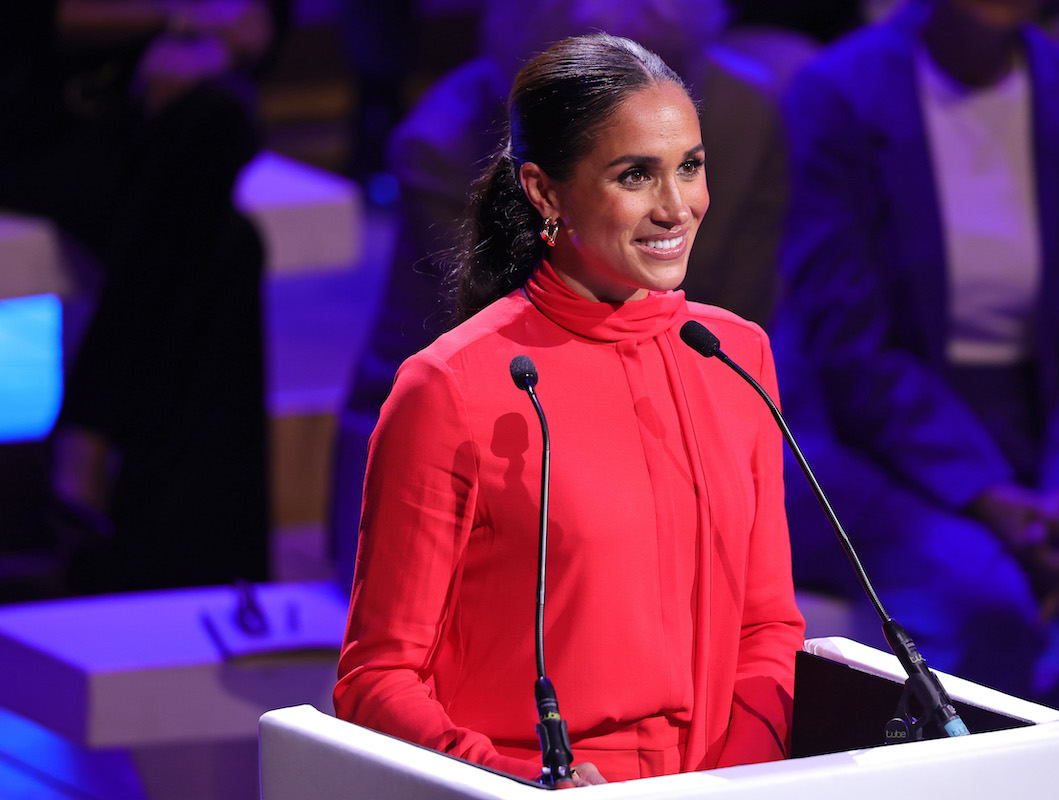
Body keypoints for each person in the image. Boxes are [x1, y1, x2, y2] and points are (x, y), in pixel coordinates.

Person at [334, 33, 807, 786]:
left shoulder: (735, 357)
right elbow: (377, 678)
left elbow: (767, 626)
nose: (676, 206)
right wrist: (513, 782)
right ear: (544, 192)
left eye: (690, 166)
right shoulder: (449, 389)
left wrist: (736, 782)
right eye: (635, 176)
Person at [771, 1, 1059, 797]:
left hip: (1052, 432)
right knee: (985, 605)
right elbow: (849, 346)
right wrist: (989, 496)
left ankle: (1058, 787)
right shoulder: (841, 91)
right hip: (876, 435)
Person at [328, 0, 820, 593]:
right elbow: (495, 370)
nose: (671, 208)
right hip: (485, 451)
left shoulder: (746, 117)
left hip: (678, 431)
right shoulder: (449, 142)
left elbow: (732, 331)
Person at [0, 1, 287, 592]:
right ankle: (205, 568)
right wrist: (180, 19)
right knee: (223, 246)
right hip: (38, 109)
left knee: (217, 163)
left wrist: (217, 47)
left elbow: (260, 19)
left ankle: (90, 430)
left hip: (156, 113)